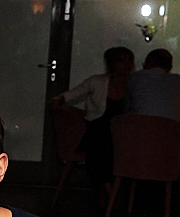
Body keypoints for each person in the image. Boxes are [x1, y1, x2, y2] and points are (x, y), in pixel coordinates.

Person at [52, 45, 132, 194]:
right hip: (98, 130)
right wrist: (59, 101)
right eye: (121, 61)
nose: (127, 65)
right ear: (112, 64)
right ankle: (109, 189)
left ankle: (110, 190)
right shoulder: (97, 82)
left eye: (129, 61)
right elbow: (71, 94)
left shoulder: (135, 85)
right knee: (101, 139)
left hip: (123, 133)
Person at [127, 48, 180, 122]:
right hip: (170, 128)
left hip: (138, 127)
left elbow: (126, 106)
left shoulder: (135, 78)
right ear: (170, 67)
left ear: (148, 63)